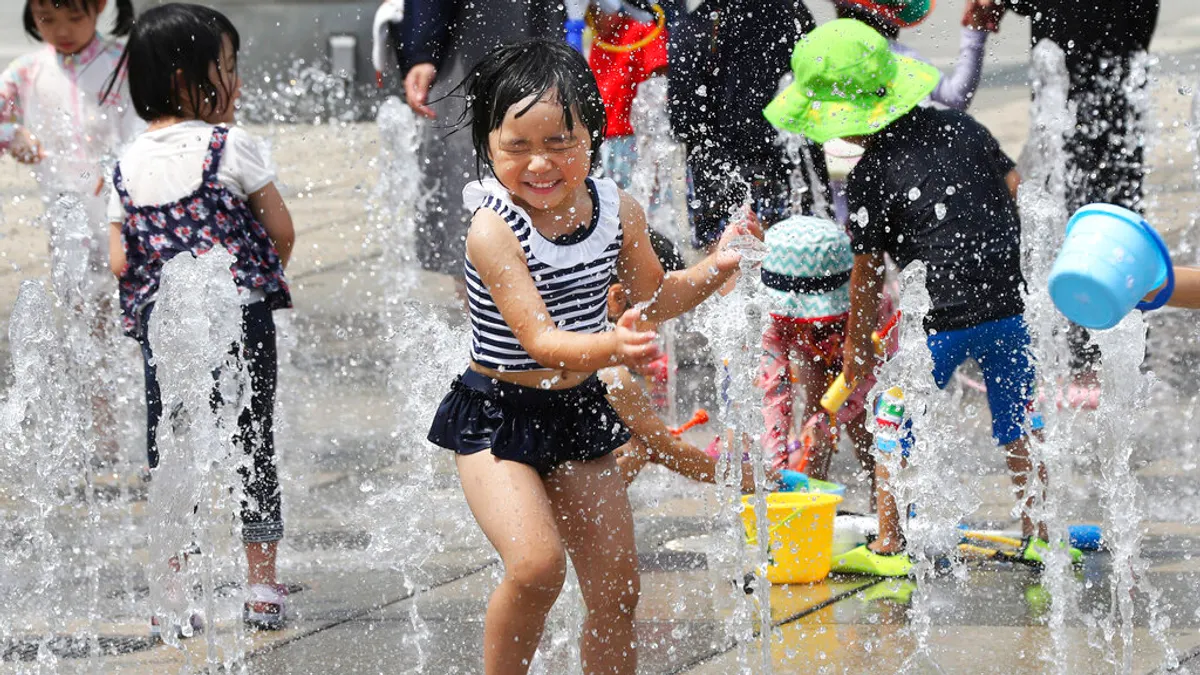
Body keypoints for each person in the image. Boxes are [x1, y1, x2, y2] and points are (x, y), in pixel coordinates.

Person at [426, 39, 758, 674]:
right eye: (516, 147)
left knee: (617, 591)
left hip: (575, 412)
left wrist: (716, 267)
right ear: (489, 147)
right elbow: (541, 341)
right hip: (498, 418)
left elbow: (654, 297)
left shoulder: (616, 210)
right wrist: (614, 345)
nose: (539, 164)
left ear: (594, 136)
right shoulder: (494, 228)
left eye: (559, 143)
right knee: (536, 567)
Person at [765, 19, 1079, 576]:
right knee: (1022, 422)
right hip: (1008, 307)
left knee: (892, 423)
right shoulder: (965, 128)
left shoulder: (870, 174)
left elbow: (863, 274)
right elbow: (1014, 188)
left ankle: (889, 544)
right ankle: (1040, 534)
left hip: (937, 324)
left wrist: (856, 347)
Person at [105, 3, 296, 631]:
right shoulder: (231, 146)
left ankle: (173, 596)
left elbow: (116, 259)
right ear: (190, 79)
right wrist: (257, 276)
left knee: (171, 451)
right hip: (239, 321)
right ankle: (261, 587)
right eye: (228, 68)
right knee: (253, 442)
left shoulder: (126, 164)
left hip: (168, 333)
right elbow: (280, 230)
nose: (235, 82)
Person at [976, 0, 1160, 400]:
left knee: (1078, 205)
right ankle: (1112, 345)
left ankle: (1087, 356)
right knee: (1115, 199)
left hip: (1076, 63)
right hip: (1113, 59)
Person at [2, 0, 142, 464]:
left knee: (134, 313)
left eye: (74, 17)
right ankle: (102, 428)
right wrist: (14, 138)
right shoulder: (26, 72)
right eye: (47, 19)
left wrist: (123, 168)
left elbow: (141, 124)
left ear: (100, 7)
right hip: (66, 215)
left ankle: (143, 415)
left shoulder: (122, 62)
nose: (61, 29)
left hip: (122, 211)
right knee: (85, 319)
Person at [388, 0, 562, 278]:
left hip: (515, 27)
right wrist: (424, 50)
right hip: (478, 33)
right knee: (475, 174)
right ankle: (483, 309)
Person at [666, 0, 830, 248]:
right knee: (793, 266)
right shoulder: (795, 12)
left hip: (718, 176)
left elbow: (683, 123)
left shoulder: (694, 27)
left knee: (725, 269)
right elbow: (816, 91)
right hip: (787, 169)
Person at [824, 0, 997, 223]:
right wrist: (974, 33)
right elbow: (956, 98)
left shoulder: (825, 59)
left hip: (844, 193)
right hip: (905, 182)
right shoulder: (902, 57)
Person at [756, 215, 875, 485]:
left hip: (856, 341)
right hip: (814, 348)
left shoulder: (870, 305)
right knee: (813, 420)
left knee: (866, 426)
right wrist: (776, 472)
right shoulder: (771, 318)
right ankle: (811, 496)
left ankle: (882, 502)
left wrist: (827, 421)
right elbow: (772, 391)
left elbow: (867, 379)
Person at [586, 0, 668, 189]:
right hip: (607, 137)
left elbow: (659, 81)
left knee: (641, 198)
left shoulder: (643, 30)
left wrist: (654, 146)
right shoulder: (601, 42)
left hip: (634, 137)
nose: (594, 20)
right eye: (590, 14)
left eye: (597, 12)